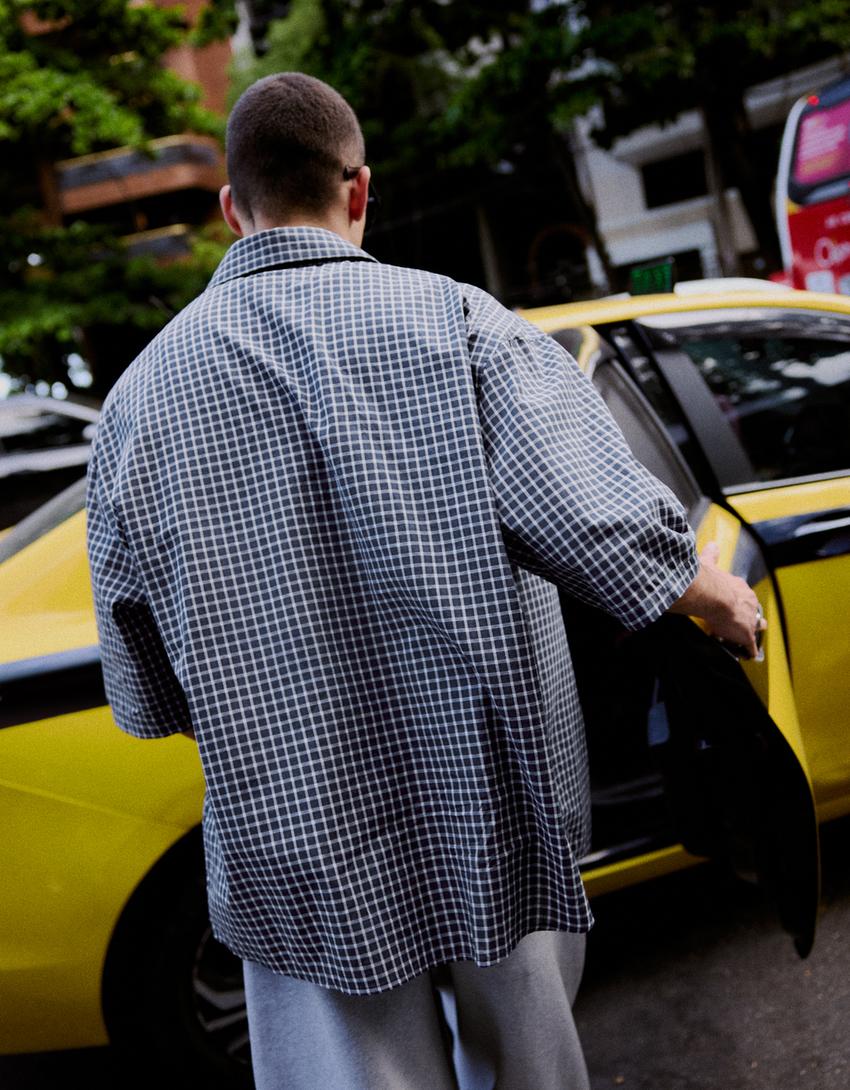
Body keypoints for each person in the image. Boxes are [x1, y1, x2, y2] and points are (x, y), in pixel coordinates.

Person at [86, 72, 764, 1090]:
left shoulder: (136, 405)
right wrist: (715, 593)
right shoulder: (461, 324)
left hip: (295, 837)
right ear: (359, 190)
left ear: (231, 207)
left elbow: (145, 694)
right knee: (528, 1063)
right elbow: (595, 524)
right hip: (488, 800)